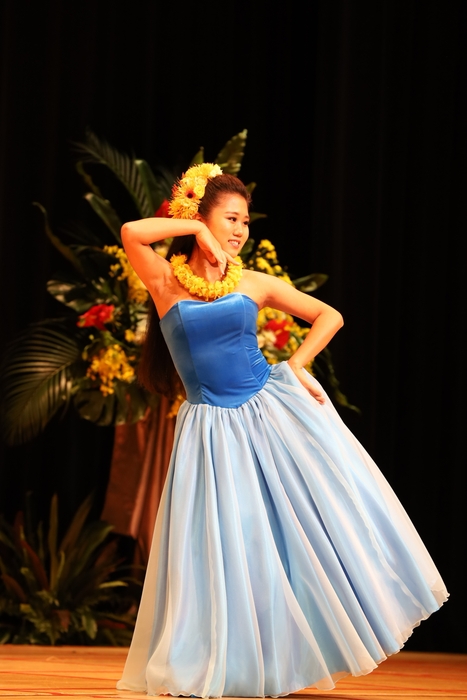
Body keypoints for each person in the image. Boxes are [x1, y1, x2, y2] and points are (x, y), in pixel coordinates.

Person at [116, 164, 448, 698]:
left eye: (245, 221)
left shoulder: (253, 282)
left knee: (291, 533)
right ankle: (230, 660)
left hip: (269, 415)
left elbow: (328, 315)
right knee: (224, 546)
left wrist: (296, 362)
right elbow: (132, 232)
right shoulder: (165, 282)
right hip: (211, 431)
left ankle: (289, 655)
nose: (239, 230)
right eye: (230, 218)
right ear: (201, 218)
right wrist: (195, 229)